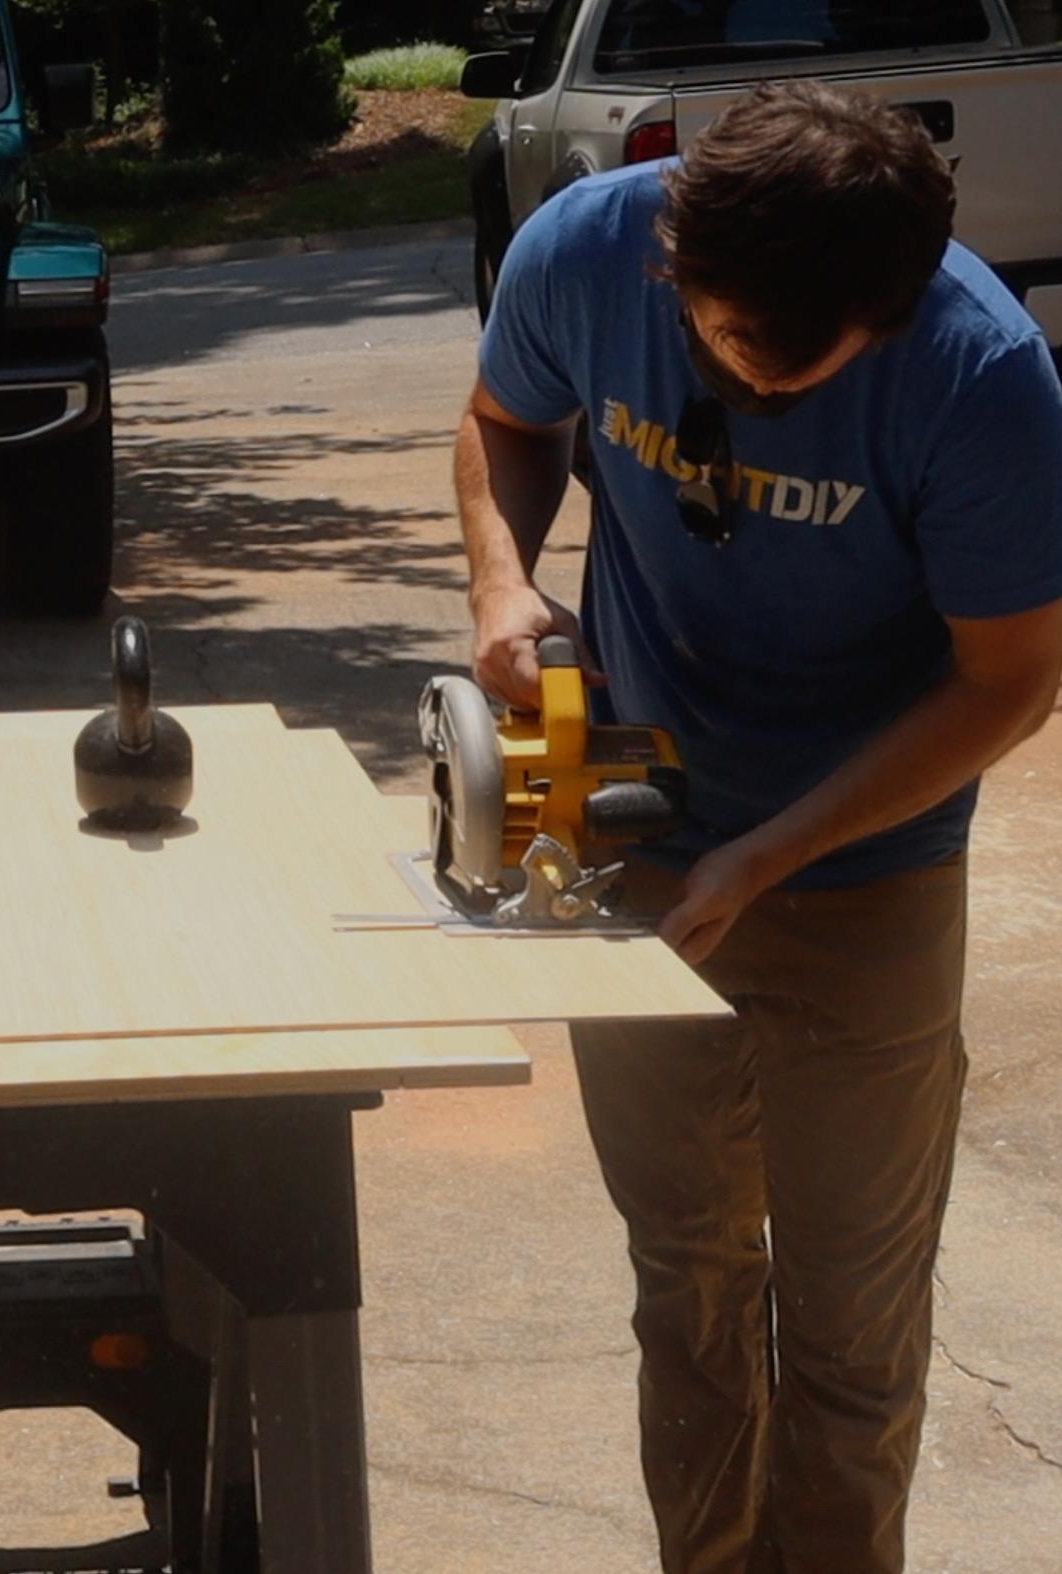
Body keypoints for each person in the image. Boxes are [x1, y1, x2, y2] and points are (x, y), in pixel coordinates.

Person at [455, 82, 1062, 1573]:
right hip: (636, 824)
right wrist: (501, 582)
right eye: (726, 340)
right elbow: (502, 420)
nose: (754, 375)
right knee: (687, 1284)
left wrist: (771, 852)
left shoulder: (981, 375)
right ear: (674, 257)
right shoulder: (582, 250)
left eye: (802, 363)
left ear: (892, 308)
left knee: (852, 1318)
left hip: (868, 865)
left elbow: (1011, 681)